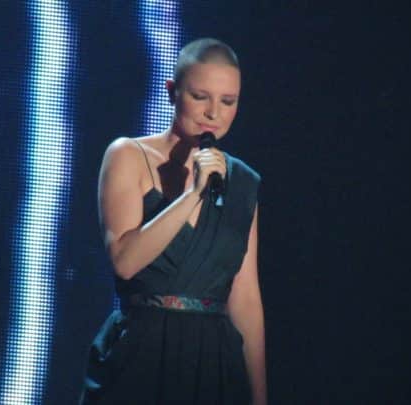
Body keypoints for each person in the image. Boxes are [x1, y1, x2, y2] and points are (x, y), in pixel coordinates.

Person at [82, 38, 266, 405]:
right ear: (172, 92)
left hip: (212, 364)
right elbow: (125, 261)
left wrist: (260, 398)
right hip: (141, 355)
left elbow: (245, 299)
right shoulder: (127, 156)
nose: (213, 113)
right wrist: (192, 195)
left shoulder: (243, 182)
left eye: (228, 101)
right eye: (200, 97)